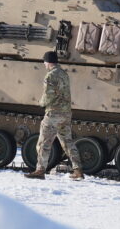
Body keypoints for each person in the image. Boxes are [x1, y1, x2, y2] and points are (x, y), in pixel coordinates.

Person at [25, 51, 84, 180]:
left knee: (43, 143)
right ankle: (78, 170)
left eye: (44, 62)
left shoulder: (50, 76)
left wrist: (41, 103)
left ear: (48, 62)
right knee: (68, 142)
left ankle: (40, 170)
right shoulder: (64, 74)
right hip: (65, 114)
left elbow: (48, 95)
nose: (44, 64)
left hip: (53, 114)